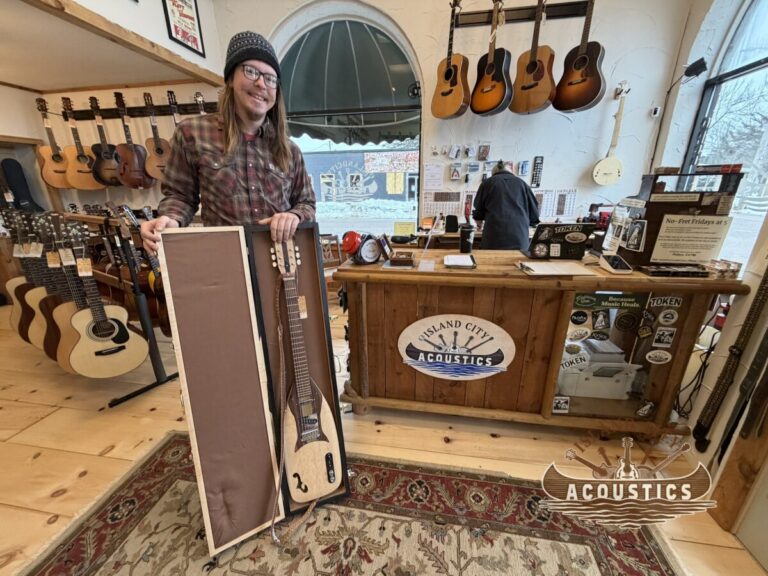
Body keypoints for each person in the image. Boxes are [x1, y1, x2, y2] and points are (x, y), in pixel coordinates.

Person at [141, 31, 315, 252]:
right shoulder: (192, 133)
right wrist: (169, 220)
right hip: (223, 258)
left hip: (279, 263)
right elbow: (180, 196)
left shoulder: (289, 150)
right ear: (231, 78)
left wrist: (293, 215)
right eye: (251, 72)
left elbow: (306, 203)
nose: (261, 83)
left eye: (270, 78)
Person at [472, 160, 540, 250]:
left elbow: (478, 211)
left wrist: (479, 223)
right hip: (519, 238)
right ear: (510, 171)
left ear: (494, 173)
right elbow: (534, 215)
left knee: (490, 262)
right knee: (518, 263)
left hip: (494, 239)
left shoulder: (487, 183)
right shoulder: (522, 184)